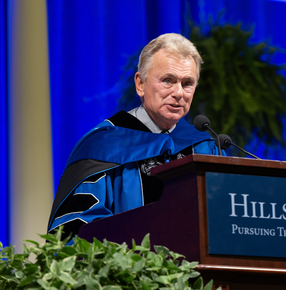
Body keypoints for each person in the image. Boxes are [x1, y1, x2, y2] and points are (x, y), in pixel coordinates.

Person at [48, 33, 220, 238]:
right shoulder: (104, 146)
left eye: (187, 83)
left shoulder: (203, 146)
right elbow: (77, 229)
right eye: (167, 80)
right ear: (140, 84)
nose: (179, 93)